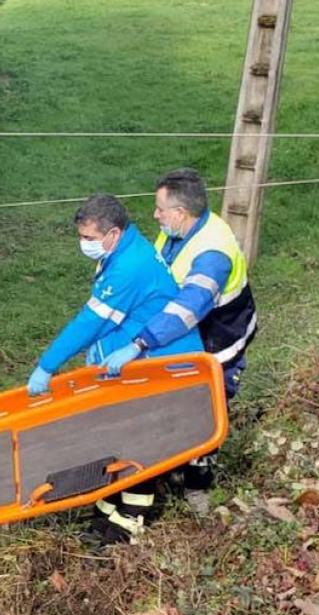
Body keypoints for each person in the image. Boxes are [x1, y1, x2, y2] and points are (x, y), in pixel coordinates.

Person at [25, 193, 203, 543]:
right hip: (146, 360)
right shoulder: (123, 252)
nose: (84, 244)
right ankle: (108, 508)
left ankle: (130, 519)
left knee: (137, 438)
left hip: (164, 368)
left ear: (114, 234)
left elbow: (90, 322)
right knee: (117, 432)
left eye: (89, 238)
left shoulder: (129, 267)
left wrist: (47, 366)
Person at [103, 168, 258, 513]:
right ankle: (174, 461)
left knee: (207, 407)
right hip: (186, 337)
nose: (154, 215)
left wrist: (140, 343)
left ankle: (197, 488)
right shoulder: (174, 233)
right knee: (175, 400)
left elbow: (189, 307)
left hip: (219, 340)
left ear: (180, 213)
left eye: (160, 208)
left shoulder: (213, 253)